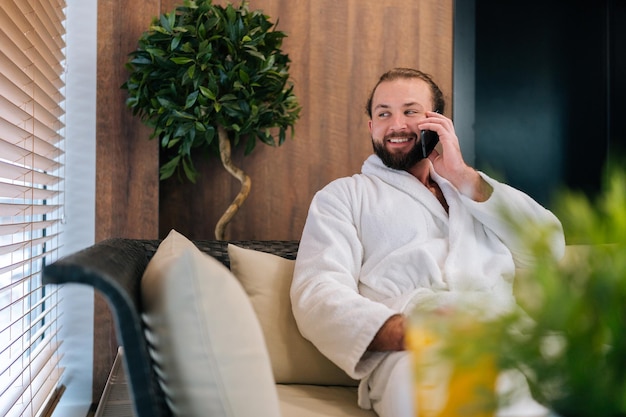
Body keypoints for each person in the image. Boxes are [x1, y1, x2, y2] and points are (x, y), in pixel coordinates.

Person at [290, 68, 566, 417]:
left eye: (410, 111)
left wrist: (463, 176)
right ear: (370, 126)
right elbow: (317, 291)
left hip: (512, 336)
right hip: (419, 351)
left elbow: (548, 246)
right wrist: (406, 332)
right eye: (383, 113)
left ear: (437, 122)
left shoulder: (471, 190)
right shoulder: (344, 196)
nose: (396, 125)